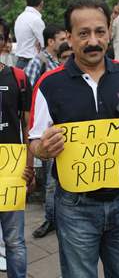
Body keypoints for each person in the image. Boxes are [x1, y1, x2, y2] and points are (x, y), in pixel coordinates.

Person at [29, 0, 119, 278]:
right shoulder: (49, 84)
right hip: (75, 206)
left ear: (109, 32)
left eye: (100, 31)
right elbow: (35, 142)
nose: (93, 41)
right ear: (69, 37)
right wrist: (44, 148)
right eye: (83, 33)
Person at [25, 24, 66, 239]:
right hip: (48, 133)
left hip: (69, 135)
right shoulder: (38, 63)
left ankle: (63, 219)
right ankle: (50, 220)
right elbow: (31, 96)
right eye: (61, 38)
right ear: (51, 42)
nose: (66, 40)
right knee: (51, 182)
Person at [0, 17, 34, 278]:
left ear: (6, 42)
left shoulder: (18, 78)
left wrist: (29, 166)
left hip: (10, 173)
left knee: (14, 241)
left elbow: (27, 127)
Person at [14, 0, 45, 69]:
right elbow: (45, 44)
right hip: (31, 63)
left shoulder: (20, 17)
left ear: (26, 2)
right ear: (41, 3)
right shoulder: (36, 19)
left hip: (19, 62)